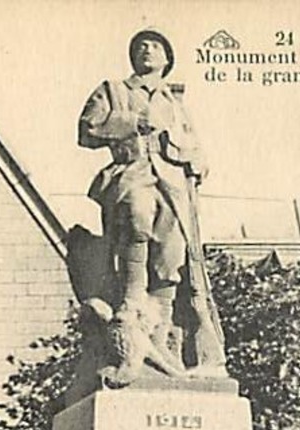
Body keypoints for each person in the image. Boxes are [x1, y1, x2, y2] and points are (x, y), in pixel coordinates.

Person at [78, 29, 226, 373]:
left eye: (156, 46)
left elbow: (194, 143)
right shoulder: (113, 90)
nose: (147, 50)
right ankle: (131, 301)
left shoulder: (174, 102)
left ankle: (160, 331)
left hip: (172, 182)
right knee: (136, 217)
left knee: (170, 254)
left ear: (166, 59)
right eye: (141, 46)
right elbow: (88, 129)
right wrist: (135, 122)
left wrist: (199, 161)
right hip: (132, 172)